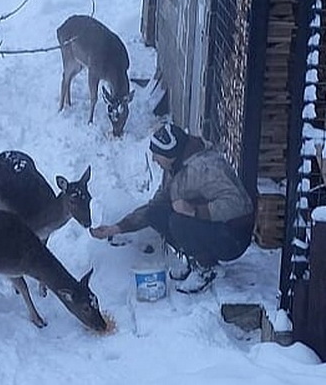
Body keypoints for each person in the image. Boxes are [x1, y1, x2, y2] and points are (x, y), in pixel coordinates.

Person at [90, 123, 255, 293]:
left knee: (178, 220)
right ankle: (195, 261)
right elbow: (154, 207)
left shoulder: (205, 167)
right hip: (215, 229)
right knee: (156, 213)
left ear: (169, 154)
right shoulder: (174, 169)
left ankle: (206, 268)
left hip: (234, 237)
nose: (153, 159)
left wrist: (195, 210)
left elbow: (239, 205)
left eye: (156, 154)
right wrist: (117, 228)